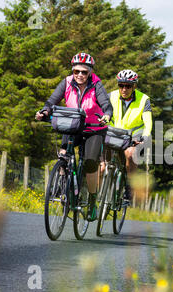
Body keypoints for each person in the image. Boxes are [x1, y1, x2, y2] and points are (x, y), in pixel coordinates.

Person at [35, 52, 112, 221]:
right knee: (63, 154)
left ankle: (92, 201)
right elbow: (51, 101)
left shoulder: (96, 85)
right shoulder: (67, 82)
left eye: (84, 72)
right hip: (73, 125)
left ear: (90, 72)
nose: (80, 75)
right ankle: (63, 187)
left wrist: (106, 115)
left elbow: (106, 104)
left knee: (91, 163)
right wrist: (44, 112)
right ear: (72, 70)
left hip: (94, 128)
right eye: (77, 71)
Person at [101, 69, 153, 202]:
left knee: (130, 154)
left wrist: (145, 137)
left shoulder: (143, 99)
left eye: (128, 86)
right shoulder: (110, 96)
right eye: (121, 85)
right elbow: (104, 113)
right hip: (114, 131)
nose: (124, 89)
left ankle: (129, 186)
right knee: (102, 164)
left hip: (134, 133)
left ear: (134, 86)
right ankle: (98, 194)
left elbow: (148, 122)